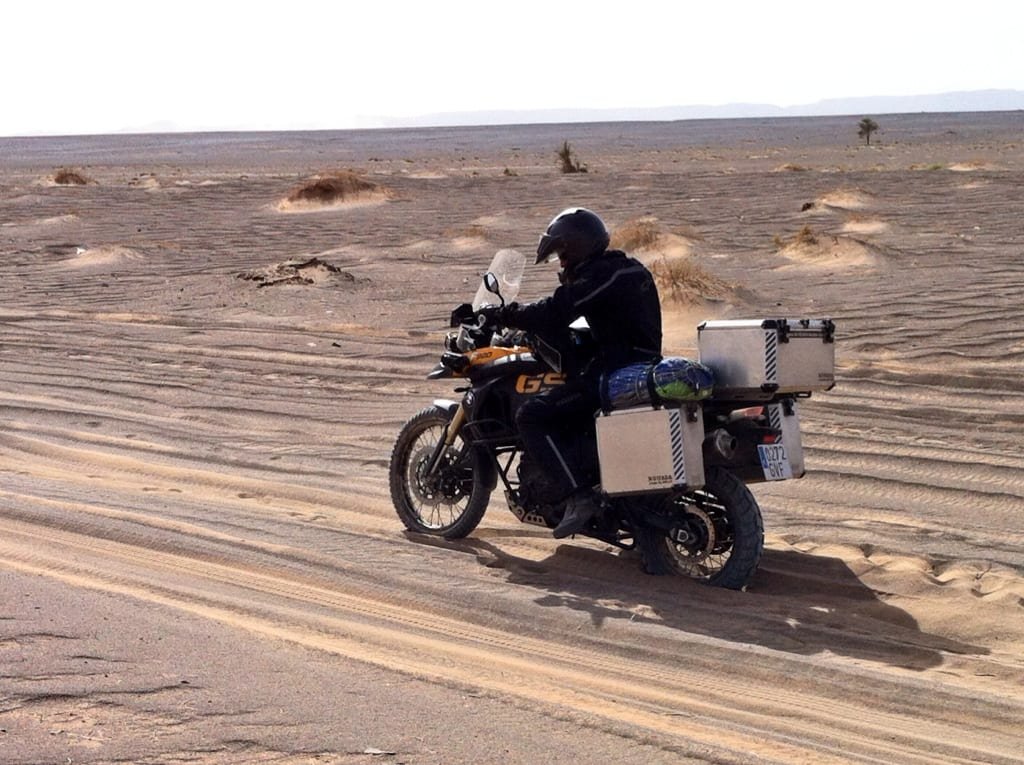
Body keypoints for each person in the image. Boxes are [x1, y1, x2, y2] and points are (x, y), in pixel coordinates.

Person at [484, 207, 663, 538]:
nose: (562, 263)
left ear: (578, 246)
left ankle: (578, 497)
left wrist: (507, 315)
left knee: (532, 415)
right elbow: (584, 318)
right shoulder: (623, 270)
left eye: (562, 255)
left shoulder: (604, 275)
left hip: (617, 371)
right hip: (637, 363)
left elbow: (558, 310)